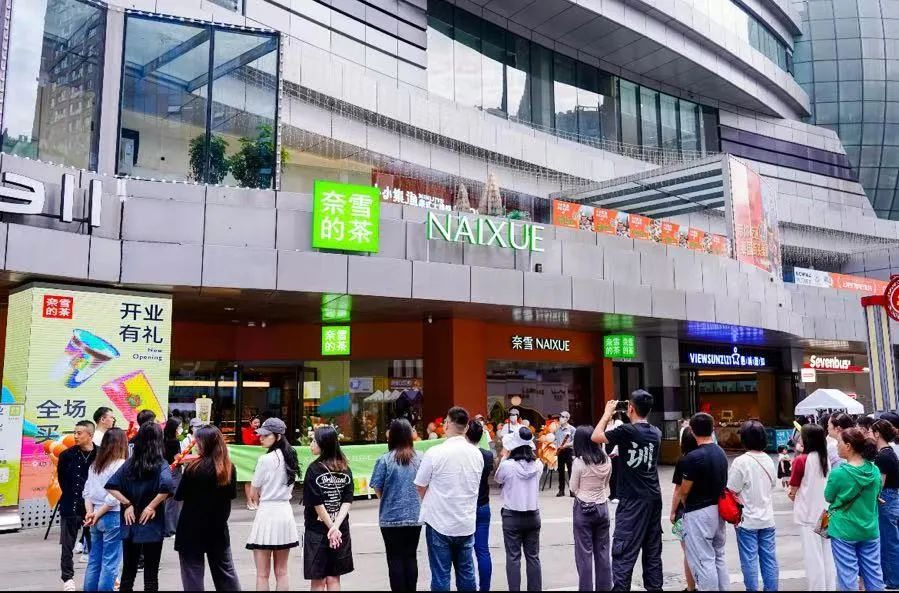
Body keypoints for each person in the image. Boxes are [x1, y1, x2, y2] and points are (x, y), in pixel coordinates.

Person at [591, 391, 663, 591]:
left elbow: (595, 436)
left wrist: (607, 413)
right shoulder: (656, 432)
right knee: (652, 552)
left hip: (632, 499)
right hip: (653, 497)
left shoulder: (627, 431)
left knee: (623, 553)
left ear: (630, 408)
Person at [414, 406, 483, 592]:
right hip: (466, 521)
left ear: (446, 424)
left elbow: (420, 485)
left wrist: (431, 500)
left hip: (439, 521)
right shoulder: (476, 454)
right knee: (467, 573)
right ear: (466, 427)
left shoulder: (435, 452)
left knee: (441, 575)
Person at [105, 422, 173, 592]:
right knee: (151, 573)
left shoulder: (129, 464)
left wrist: (127, 503)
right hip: (152, 524)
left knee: (128, 571)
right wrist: (151, 506)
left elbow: (111, 486)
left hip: (130, 523)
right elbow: (167, 486)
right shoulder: (161, 464)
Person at [175, 425, 241, 591]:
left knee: (192, 576)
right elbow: (231, 496)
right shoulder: (228, 468)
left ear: (205, 443)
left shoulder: (193, 468)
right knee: (225, 573)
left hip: (190, 527)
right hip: (217, 527)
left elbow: (179, 495)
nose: (196, 445)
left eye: (198, 441)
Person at [825, 427, 884, 591]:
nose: (837, 446)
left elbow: (828, 496)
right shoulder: (874, 470)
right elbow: (877, 493)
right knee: (874, 574)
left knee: (848, 577)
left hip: (843, 529)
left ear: (848, 446)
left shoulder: (838, 473)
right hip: (869, 528)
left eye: (839, 442)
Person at [245, 417, 300, 592]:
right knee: (282, 572)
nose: (260, 438)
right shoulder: (291, 457)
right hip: (285, 512)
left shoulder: (265, 459)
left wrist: (260, 495)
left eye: (265, 435)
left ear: (277, 436)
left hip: (267, 513)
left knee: (262, 574)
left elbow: (253, 493)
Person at [677, 413, 729, 592]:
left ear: (692, 431)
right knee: (719, 556)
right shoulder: (720, 452)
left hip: (699, 512)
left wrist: (683, 501)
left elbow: (684, 490)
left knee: (703, 559)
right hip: (719, 509)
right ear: (712, 429)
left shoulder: (693, 457)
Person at [371, 418, 422, 592]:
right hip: (415, 516)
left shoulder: (384, 460)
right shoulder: (420, 458)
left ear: (391, 436)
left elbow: (377, 488)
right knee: (411, 557)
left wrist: (388, 498)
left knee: (394, 559)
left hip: (390, 517)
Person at [727, 420, 778, 592]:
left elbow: (732, 489)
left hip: (746, 520)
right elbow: (773, 485)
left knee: (749, 561)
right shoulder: (769, 460)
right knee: (769, 559)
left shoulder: (741, 462)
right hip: (767, 519)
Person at [303, 426, 355, 591]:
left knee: (318, 579)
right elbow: (347, 500)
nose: (311, 444)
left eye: (314, 441)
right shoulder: (345, 468)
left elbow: (317, 503)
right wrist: (336, 527)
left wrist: (331, 527)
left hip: (317, 530)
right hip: (340, 531)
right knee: (334, 578)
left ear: (324, 444)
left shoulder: (313, 469)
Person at [788, 423, 836, 591]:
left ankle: (817, 587)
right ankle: (829, 586)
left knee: (813, 555)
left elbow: (793, 489)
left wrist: (791, 494)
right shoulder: (825, 459)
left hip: (807, 514)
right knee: (826, 552)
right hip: (825, 513)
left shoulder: (801, 460)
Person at [495, 426, 543, 592]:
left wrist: (504, 456)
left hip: (512, 516)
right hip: (533, 515)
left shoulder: (508, 466)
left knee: (513, 558)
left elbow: (498, 479)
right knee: (533, 557)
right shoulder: (538, 465)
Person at [82, 427, 127, 592]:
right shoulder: (121, 464)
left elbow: (87, 492)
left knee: (94, 559)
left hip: (95, 514)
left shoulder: (95, 465)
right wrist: (96, 513)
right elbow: (114, 497)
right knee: (110, 562)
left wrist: (90, 513)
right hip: (112, 515)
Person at [570, 425, 612, 591]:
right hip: (602, 506)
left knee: (584, 554)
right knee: (603, 552)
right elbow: (606, 483)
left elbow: (573, 488)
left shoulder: (579, 462)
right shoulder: (606, 460)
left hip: (584, 508)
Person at [58, 420, 97, 592]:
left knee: (95, 544)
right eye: (74, 432)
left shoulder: (100, 454)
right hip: (70, 505)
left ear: (90, 435)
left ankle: (100, 576)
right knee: (67, 545)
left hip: (93, 509)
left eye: (79, 433)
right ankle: (67, 578)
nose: (75, 436)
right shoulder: (66, 455)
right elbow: (62, 481)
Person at [465, 420, 494, 592]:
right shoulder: (487, 455)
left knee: (465, 551)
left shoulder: (464, 455)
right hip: (483, 504)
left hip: (466, 506)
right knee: (482, 550)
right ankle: (485, 587)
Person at [873, 419, 899, 589]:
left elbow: (879, 484)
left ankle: (893, 580)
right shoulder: (889, 452)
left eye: (871, 431)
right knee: (890, 540)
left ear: (877, 434)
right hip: (891, 498)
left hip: (886, 499)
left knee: (889, 541)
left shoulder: (883, 456)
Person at [671, 427, 698, 592]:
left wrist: (672, 511)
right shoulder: (705, 457)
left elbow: (678, 490)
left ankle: (691, 587)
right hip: (704, 509)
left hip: (685, 510)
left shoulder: (684, 460)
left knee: (688, 552)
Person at [162, 418, 183, 537]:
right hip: (174, 472)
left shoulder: (163, 440)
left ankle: (168, 527)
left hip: (166, 471)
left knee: (168, 501)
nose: (181, 429)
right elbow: (177, 458)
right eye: (179, 426)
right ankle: (171, 529)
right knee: (173, 501)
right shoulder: (174, 442)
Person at [241, 417, 263, 511]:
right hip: (249, 458)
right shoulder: (246, 431)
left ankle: (256, 501)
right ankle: (249, 501)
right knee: (249, 480)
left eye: (258, 422)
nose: (257, 424)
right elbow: (248, 442)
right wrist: (257, 436)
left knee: (258, 480)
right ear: (250, 423)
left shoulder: (262, 431)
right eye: (255, 422)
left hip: (259, 457)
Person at [555, 411, 576, 497]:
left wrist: (566, 445)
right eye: (560, 416)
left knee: (571, 471)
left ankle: (572, 490)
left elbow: (575, 441)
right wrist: (556, 447)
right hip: (560, 451)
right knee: (560, 471)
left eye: (563, 417)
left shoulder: (572, 429)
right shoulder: (557, 429)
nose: (560, 418)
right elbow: (555, 440)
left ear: (567, 419)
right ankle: (561, 490)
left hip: (568, 451)